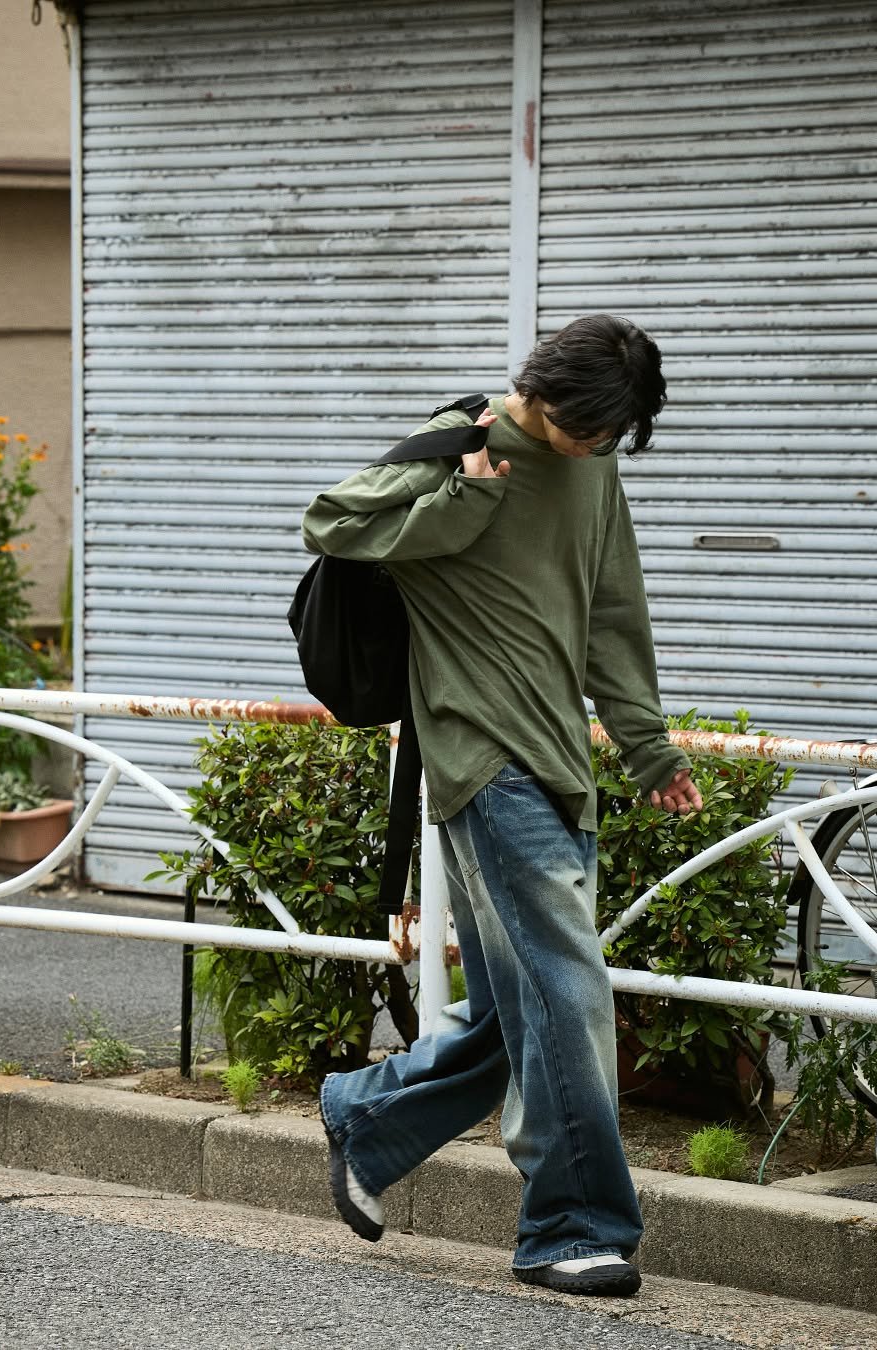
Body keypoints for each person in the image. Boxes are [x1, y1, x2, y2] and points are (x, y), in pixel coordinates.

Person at [300, 313, 703, 1298]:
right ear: (545, 391)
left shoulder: (593, 464)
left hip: (560, 761)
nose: (594, 446)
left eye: (612, 435)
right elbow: (332, 520)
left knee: (517, 1010)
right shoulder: (467, 442)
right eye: (584, 427)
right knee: (569, 989)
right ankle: (571, 1225)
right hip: (482, 756)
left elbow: (614, 614)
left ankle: (368, 1117)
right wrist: (462, 504)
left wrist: (647, 748)